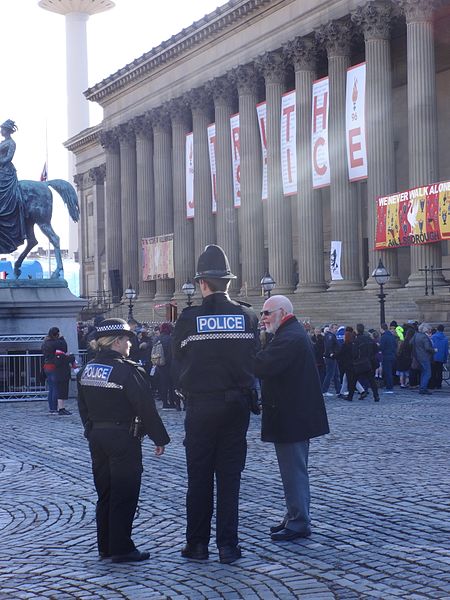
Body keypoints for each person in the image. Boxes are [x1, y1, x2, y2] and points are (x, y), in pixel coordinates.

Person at [172, 245, 259, 565]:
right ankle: (228, 546)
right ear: (228, 282)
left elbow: (176, 360)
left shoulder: (188, 319)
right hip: (236, 408)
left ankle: (196, 545)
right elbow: (254, 358)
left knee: (199, 479)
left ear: (202, 283)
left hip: (201, 407)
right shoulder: (248, 316)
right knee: (229, 478)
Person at [77, 318, 170, 563]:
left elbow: (82, 406)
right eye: (128, 339)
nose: (130, 344)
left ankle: (105, 546)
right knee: (125, 492)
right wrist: (159, 438)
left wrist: (91, 430)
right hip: (122, 437)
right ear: (117, 342)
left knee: (105, 492)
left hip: (97, 436)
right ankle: (121, 547)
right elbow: (145, 406)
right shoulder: (126, 370)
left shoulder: (88, 369)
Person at [254, 295, 329, 541]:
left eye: (267, 313)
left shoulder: (289, 337)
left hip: (292, 417)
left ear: (283, 312)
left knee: (293, 470)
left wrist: (241, 349)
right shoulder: (290, 334)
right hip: (294, 415)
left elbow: (262, 365)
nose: (263, 318)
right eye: (262, 313)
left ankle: (298, 521)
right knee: (293, 469)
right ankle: (295, 515)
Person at [0, 119, 25, 254]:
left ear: (7, 130)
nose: (1, 130)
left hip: (6, 173)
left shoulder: (11, 143)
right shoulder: (3, 142)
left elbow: (7, 158)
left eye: (2, 128)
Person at [348, 323, 380, 402]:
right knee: (371, 380)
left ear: (357, 330)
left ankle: (350, 396)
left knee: (353, 380)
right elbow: (375, 349)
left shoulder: (356, 340)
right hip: (368, 362)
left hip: (359, 362)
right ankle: (376, 396)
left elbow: (354, 353)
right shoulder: (368, 339)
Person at [41, 327, 70, 415]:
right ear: (57, 334)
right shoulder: (57, 342)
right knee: (56, 388)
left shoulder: (45, 342)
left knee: (51, 388)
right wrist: (62, 338)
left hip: (46, 366)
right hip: (54, 366)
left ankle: (52, 407)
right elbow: (64, 348)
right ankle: (55, 408)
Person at [410, 323, 435, 395]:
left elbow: (410, 343)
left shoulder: (416, 335)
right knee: (427, 373)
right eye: (429, 329)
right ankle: (423, 388)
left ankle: (422, 387)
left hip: (417, 356)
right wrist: (434, 350)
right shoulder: (424, 337)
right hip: (425, 357)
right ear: (426, 329)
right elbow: (427, 348)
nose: (430, 331)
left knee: (424, 373)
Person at [321, 323, 341, 397]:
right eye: (335, 328)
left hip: (332, 357)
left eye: (336, 328)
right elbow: (328, 346)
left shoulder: (330, 335)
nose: (336, 330)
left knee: (336, 374)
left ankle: (339, 390)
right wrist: (331, 353)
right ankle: (324, 390)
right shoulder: (330, 336)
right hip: (330, 358)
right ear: (331, 328)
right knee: (330, 374)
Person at [379, 323, 398, 394]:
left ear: (382, 329)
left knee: (388, 372)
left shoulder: (384, 337)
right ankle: (390, 385)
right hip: (393, 355)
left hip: (387, 356)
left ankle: (389, 386)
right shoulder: (392, 336)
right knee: (391, 371)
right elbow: (395, 345)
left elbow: (381, 347)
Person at [430, 325, 448, 389]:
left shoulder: (433, 337)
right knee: (439, 372)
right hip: (441, 357)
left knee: (433, 371)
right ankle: (439, 385)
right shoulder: (445, 338)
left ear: (437, 329)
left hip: (433, 357)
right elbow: (446, 351)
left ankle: (433, 384)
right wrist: (445, 359)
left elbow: (430, 347)